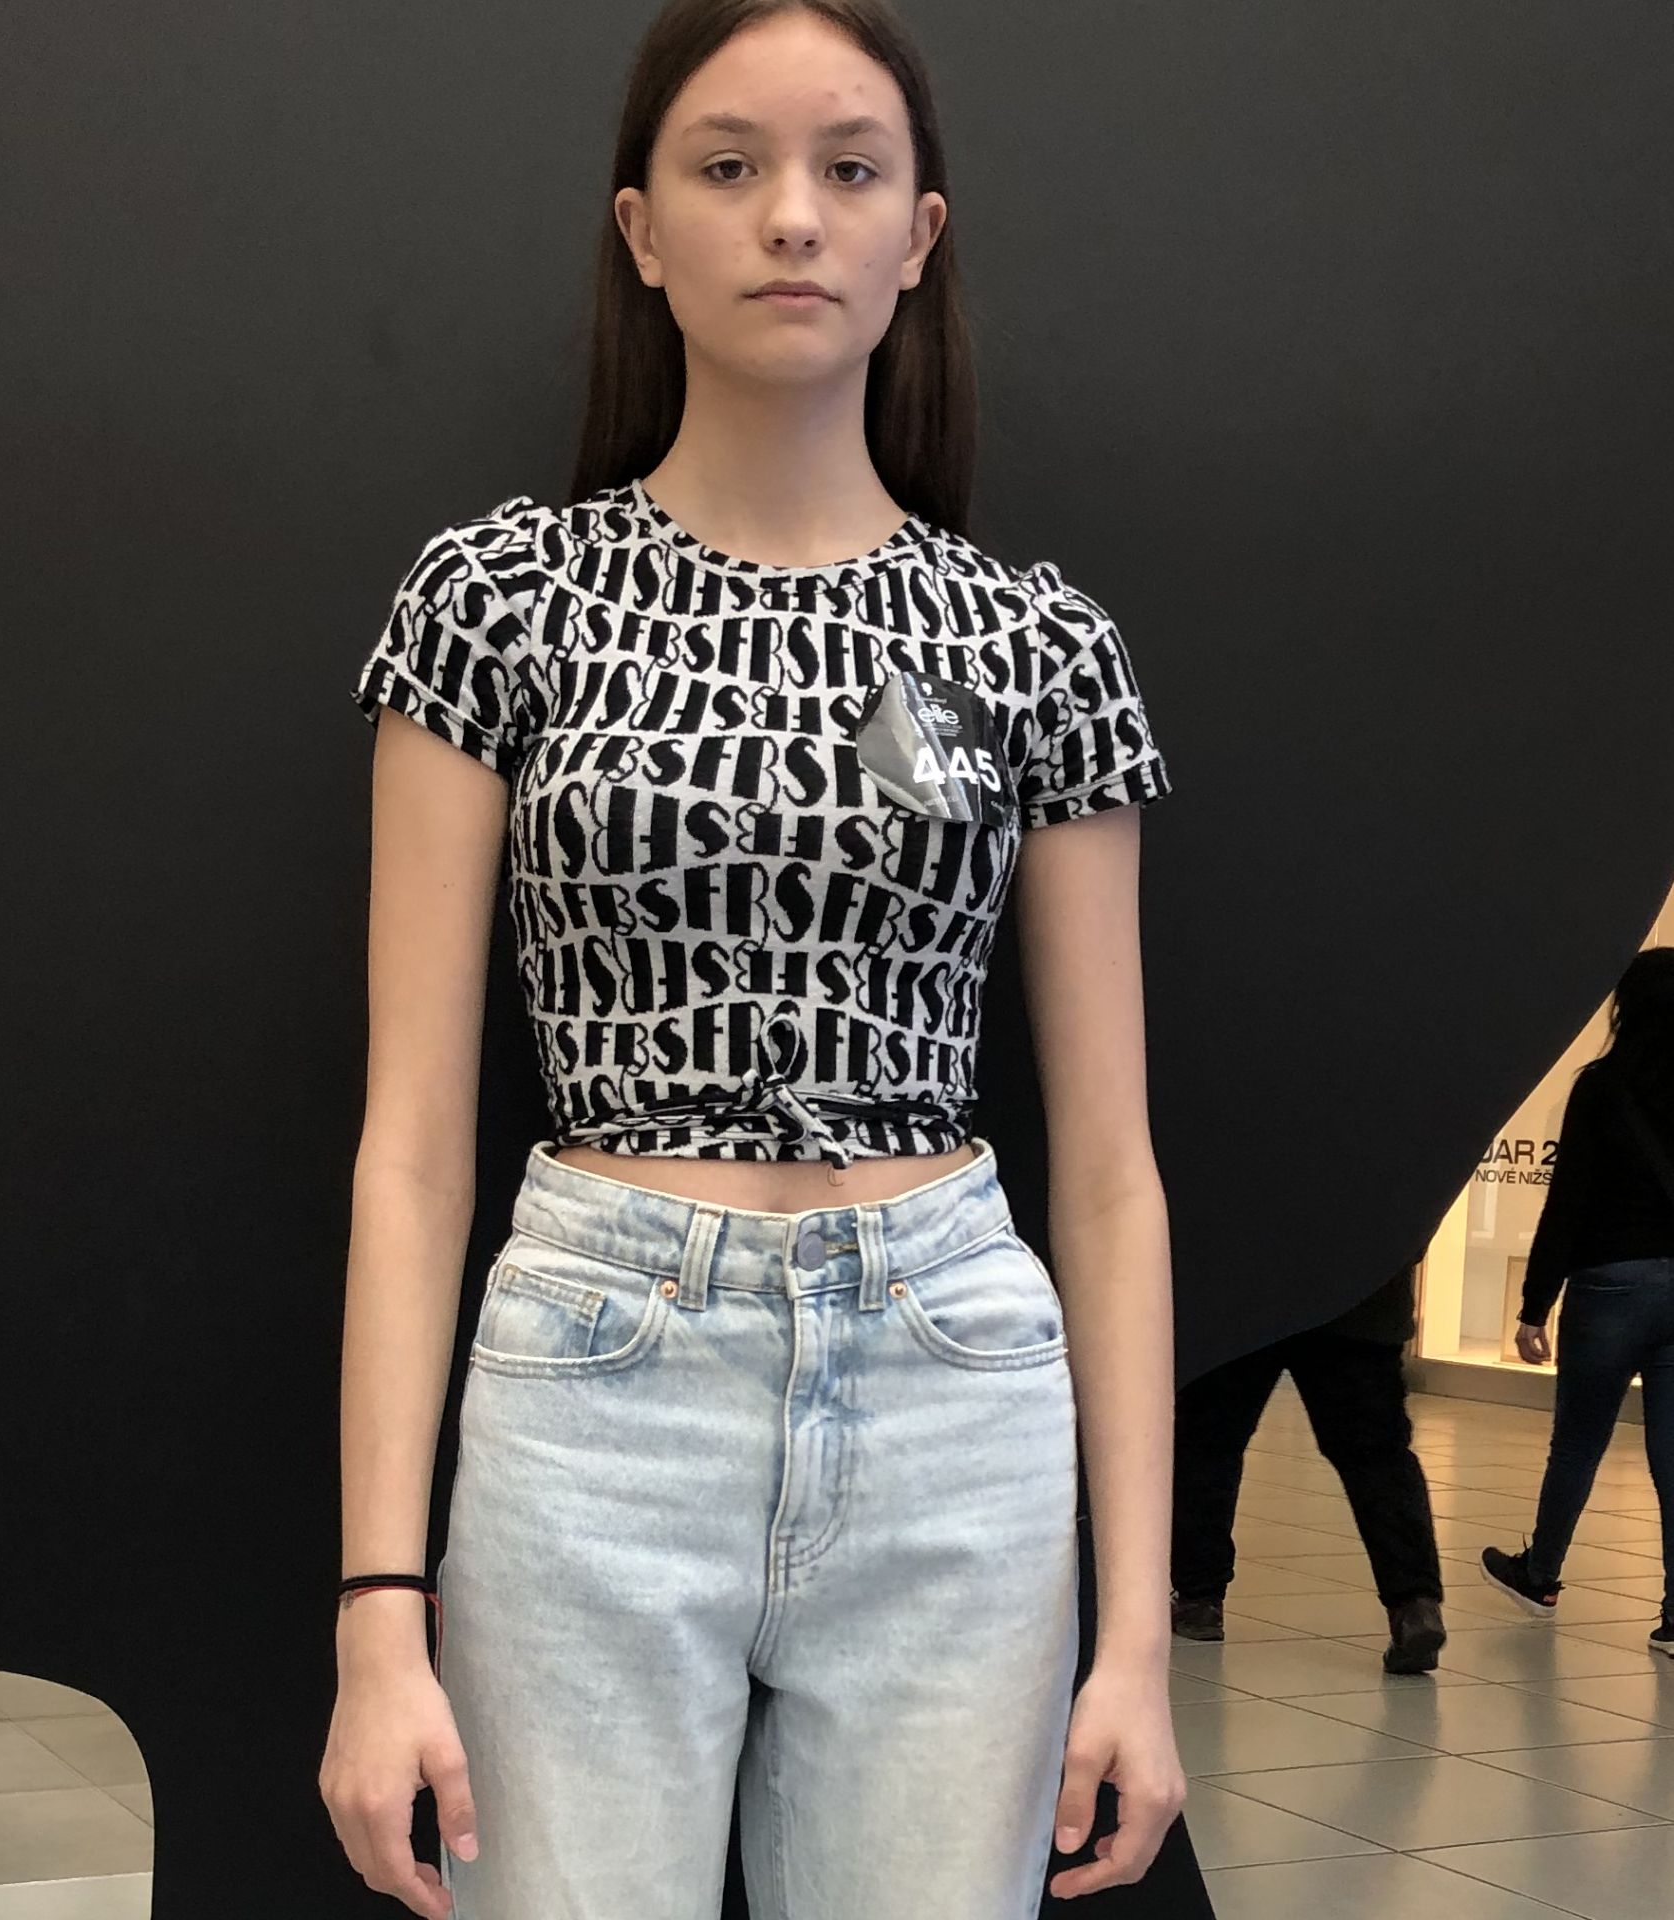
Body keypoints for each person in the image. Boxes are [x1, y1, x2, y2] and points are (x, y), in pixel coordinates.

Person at [318, 5, 1187, 1915]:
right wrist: (378, 1607)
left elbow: (1110, 1174)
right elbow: (411, 1143)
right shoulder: (497, 605)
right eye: (728, 167)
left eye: (846, 169)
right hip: (595, 1387)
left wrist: (1134, 1635)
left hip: (953, 1387)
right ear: (640, 230)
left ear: (917, 234)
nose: (791, 215)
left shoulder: (1032, 647)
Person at [1480, 946, 1674, 1657]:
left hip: (1610, 1286)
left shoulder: (1601, 1087)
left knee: (1578, 1444)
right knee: (1671, 1456)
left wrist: (1535, 1305)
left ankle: (1541, 1575)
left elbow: (1567, 1204)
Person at [1168, 1242, 1449, 1673]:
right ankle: (1415, 1604)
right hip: (1360, 1288)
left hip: (1243, 1288)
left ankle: (1199, 1599)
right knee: (1377, 1456)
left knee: (1209, 1445)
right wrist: (1402, 1248)